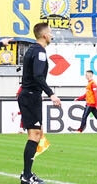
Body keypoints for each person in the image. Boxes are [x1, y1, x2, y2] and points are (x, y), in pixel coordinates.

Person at [18, 22, 65, 184]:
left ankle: (27, 174)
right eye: (50, 33)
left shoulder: (32, 49)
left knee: (36, 134)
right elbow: (38, 76)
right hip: (31, 96)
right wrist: (51, 94)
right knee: (34, 134)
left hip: (31, 94)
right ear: (44, 35)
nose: (52, 35)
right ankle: (26, 175)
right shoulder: (40, 52)